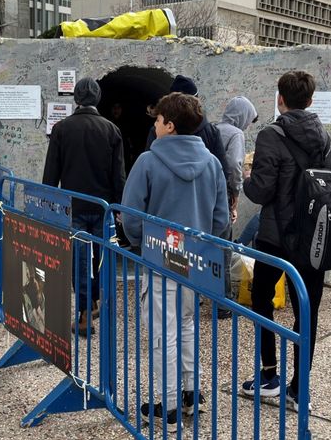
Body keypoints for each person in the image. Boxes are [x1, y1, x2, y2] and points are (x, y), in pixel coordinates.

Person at [121, 92, 230, 424]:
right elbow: (221, 219)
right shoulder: (212, 163)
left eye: (157, 120)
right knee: (186, 325)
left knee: (160, 333)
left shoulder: (147, 162)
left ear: (168, 125)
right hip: (195, 262)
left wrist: (142, 242)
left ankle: (168, 404)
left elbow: (130, 216)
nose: (154, 125)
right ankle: (191, 392)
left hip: (159, 259)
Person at [240, 70, 331, 413]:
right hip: (314, 240)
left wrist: (247, 179)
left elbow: (262, 190)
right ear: (310, 101)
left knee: (262, 301)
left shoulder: (271, 135)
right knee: (306, 313)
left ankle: (269, 375)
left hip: (275, 238)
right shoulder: (325, 139)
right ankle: (300, 388)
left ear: (280, 98)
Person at [43, 77, 126, 335]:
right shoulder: (112, 130)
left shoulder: (61, 129)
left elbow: (50, 173)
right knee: (102, 258)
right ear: (99, 99)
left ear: (76, 99)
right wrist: (119, 207)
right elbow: (118, 175)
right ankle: (97, 298)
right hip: (102, 207)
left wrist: (48, 204)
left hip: (73, 206)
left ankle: (83, 312)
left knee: (78, 260)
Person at [145, 75, 230, 183]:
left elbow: (144, 179)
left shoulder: (159, 131)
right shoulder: (211, 134)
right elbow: (223, 174)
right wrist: (230, 192)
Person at [214, 96, 258, 223]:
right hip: (223, 193)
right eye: (249, 120)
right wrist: (236, 194)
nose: (248, 125)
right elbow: (234, 165)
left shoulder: (213, 127)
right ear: (242, 116)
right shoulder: (236, 134)